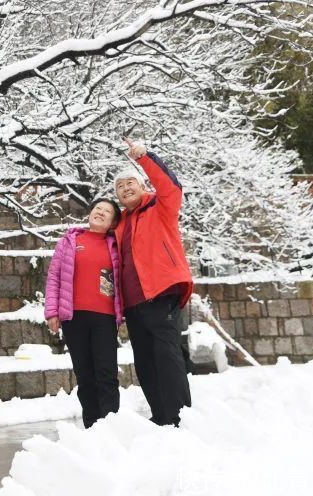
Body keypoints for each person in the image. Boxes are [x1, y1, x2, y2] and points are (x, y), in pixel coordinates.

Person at [114, 137, 193, 427]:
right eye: (120, 187)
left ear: (142, 185)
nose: (125, 189)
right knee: (145, 362)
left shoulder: (161, 206)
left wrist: (144, 157)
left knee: (166, 355)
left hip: (162, 293)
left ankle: (181, 416)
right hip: (134, 304)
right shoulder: (120, 222)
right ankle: (160, 415)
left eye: (130, 183)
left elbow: (171, 185)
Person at [44, 199, 123, 428]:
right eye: (98, 208)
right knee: (85, 375)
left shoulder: (116, 246)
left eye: (107, 211)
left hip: (105, 318)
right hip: (74, 317)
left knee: (106, 374)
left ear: (113, 222)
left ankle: (111, 426)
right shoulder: (70, 241)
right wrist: (52, 312)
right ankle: (92, 426)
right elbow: (54, 277)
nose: (100, 212)